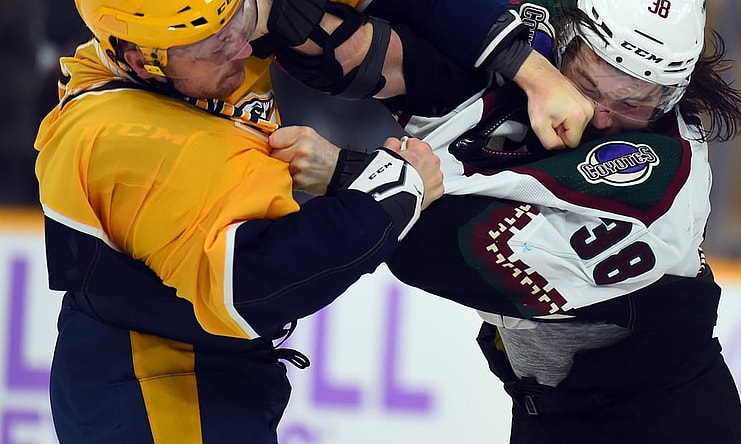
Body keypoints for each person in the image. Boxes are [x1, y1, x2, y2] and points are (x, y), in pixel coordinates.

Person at [33, 0, 599, 442]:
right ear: (142, 61)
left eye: (237, 20)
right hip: (158, 384)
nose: (242, 47)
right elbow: (252, 290)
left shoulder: (180, 46)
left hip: (202, 364)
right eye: (216, 44)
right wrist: (386, 192)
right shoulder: (132, 142)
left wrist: (534, 74)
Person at [273, 0, 741, 443]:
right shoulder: (535, 51)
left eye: (633, 104)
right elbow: (379, 52)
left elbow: (448, 252)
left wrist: (348, 175)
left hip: (661, 423)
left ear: (670, 95)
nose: (601, 117)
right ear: (568, 39)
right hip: (546, 412)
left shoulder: (662, 179)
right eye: (588, 85)